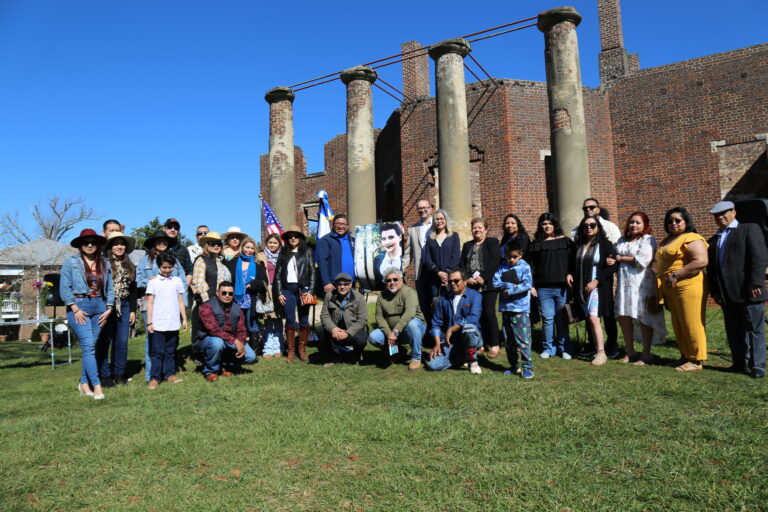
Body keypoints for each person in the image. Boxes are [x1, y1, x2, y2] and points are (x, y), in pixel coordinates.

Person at [707, 200, 768, 378]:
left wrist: (756, 282)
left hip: (749, 290)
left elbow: (759, 256)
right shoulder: (714, 239)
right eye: (716, 215)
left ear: (733, 212)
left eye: (724, 213)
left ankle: (757, 365)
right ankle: (739, 363)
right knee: (733, 330)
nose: (720, 217)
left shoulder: (749, 229)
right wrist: (715, 291)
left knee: (754, 329)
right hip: (726, 293)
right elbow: (712, 268)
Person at [61, 229, 115, 400]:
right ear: (80, 245)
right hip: (79, 306)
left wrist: (109, 308)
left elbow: (111, 289)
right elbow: (64, 288)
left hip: (100, 307)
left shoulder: (105, 263)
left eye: (93, 242)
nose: (90, 245)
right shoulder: (71, 262)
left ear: (98, 245)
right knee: (89, 346)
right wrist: (75, 308)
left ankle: (84, 383)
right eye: (86, 242)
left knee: (91, 346)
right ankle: (97, 387)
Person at [655, 207, 709, 371]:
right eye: (670, 221)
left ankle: (696, 360)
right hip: (671, 288)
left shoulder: (692, 238)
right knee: (678, 323)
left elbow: (700, 261)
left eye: (677, 220)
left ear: (686, 221)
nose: (673, 223)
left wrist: (677, 275)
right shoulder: (667, 240)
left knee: (691, 321)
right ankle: (685, 355)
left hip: (688, 285)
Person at [611, 212, 665, 365]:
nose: (634, 225)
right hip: (623, 283)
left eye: (637, 222)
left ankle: (646, 354)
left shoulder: (648, 240)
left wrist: (620, 258)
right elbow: (615, 256)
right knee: (624, 316)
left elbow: (643, 260)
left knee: (643, 316)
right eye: (631, 222)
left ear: (644, 225)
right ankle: (630, 351)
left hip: (641, 283)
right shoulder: (622, 240)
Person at [573, 198, 621, 359]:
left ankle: (612, 346)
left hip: (601, 286)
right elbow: (573, 263)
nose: (589, 228)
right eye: (586, 226)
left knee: (606, 316)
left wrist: (597, 281)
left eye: (592, 225)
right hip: (583, 285)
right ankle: (594, 345)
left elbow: (613, 265)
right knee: (590, 317)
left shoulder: (605, 243)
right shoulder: (579, 245)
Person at [137, 229, 187, 381]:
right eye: (158, 241)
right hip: (150, 304)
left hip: (170, 305)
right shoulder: (145, 260)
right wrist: (152, 280)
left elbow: (182, 281)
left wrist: (182, 308)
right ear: (153, 244)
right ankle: (151, 374)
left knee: (171, 339)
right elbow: (139, 281)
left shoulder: (174, 260)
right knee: (151, 338)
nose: (161, 243)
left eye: (164, 241)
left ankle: (169, 372)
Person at [527, 213, 575, 360]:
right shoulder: (536, 244)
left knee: (561, 318)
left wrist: (569, 273)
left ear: (555, 225)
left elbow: (573, 261)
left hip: (561, 287)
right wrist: (532, 285)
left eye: (549, 223)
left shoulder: (566, 242)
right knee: (547, 319)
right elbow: (531, 266)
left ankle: (564, 348)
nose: (546, 226)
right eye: (543, 224)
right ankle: (548, 348)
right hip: (542, 288)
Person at [96, 231, 137, 387]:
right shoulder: (103, 263)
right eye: (116, 244)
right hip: (107, 305)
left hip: (125, 305)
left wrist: (133, 310)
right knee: (105, 340)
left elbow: (132, 289)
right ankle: (105, 374)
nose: (119, 247)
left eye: (122, 244)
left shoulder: (130, 265)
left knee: (121, 342)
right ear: (110, 247)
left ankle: (119, 373)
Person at [197, 281, 258, 381]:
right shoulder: (206, 306)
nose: (227, 296)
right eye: (224, 293)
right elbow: (214, 330)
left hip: (230, 340)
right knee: (217, 343)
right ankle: (211, 371)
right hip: (209, 339)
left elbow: (242, 330)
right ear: (217, 293)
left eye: (230, 293)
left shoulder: (237, 308)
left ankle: (223, 366)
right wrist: (235, 341)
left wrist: (241, 342)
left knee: (251, 356)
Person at [426, 269, 484, 374]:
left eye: (456, 280)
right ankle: (461, 356)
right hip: (452, 341)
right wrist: (437, 343)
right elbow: (435, 322)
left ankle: (473, 360)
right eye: (450, 281)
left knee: (469, 328)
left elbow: (473, 317)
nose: (452, 283)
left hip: (471, 335)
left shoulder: (476, 296)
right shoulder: (444, 299)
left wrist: (453, 328)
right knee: (432, 365)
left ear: (465, 281)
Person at [368, 268, 427, 370]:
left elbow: (409, 313)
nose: (392, 282)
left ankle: (416, 357)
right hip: (393, 331)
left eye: (395, 279)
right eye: (388, 280)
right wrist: (388, 333)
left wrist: (395, 331)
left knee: (412, 324)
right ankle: (397, 350)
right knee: (373, 337)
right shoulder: (382, 296)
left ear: (401, 280)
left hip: (413, 328)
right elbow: (379, 317)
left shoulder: (409, 292)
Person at [459, 217, 501, 357]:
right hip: (473, 287)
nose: (477, 230)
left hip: (488, 285)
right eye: (474, 228)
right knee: (477, 315)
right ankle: (480, 343)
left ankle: (494, 344)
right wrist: (468, 278)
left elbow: (495, 261)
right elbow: (462, 265)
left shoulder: (492, 242)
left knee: (489, 313)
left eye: (480, 227)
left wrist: (484, 276)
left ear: (485, 229)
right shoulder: (467, 245)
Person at [145, 252, 188, 389]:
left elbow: (180, 301)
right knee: (157, 352)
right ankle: (155, 377)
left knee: (170, 350)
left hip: (173, 322)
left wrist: (184, 319)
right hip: (158, 323)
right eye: (164, 267)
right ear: (159, 267)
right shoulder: (153, 282)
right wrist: (149, 322)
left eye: (170, 267)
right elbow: (150, 303)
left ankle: (170, 374)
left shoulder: (177, 281)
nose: (167, 270)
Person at [274, 225, 316, 362]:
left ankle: (302, 349)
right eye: (290, 236)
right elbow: (278, 274)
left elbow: (312, 273)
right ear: (287, 238)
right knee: (290, 319)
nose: (293, 238)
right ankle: (291, 350)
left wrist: (310, 291)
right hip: (287, 290)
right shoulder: (283, 253)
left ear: (300, 238)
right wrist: (279, 292)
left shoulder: (307, 251)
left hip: (303, 289)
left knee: (304, 319)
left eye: (295, 236)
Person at [493, 241, 534, 379]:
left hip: (520, 309)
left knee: (523, 339)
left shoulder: (525, 267)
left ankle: (527, 367)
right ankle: (513, 365)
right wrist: (506, 284)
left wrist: (510, 291)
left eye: (514, 257)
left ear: (520, 255)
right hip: (506, 309)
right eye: (508, 257)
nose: (511, 260)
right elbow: (495, 282)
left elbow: (527, 284)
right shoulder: (502, 267)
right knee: (508, 339)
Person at [190, 232, 232, 349]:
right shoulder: (201, 259)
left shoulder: (221, 261)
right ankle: (200, 355)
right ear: (207, 245)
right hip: (206, 302)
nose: (216, 246)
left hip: (221, 302)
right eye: (213, 243)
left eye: (218, 243)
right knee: (203, 330)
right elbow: (199, 282)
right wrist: (209, 303)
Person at [225, 237, 268, 349]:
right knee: (237, 324)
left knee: (252, 323)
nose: (249, 250)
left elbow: (264, 282)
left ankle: (254, 349)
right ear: (242, 247)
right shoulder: (233, 262)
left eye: (252, 248)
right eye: (247, 247)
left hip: (251, 298)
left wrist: (253, 284)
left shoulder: (258, 263)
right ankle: (239, 348)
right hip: (236, 298)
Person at [319, 272, 368, 367]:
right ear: (335, 285)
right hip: (336, 330)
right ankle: (334, 356)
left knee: (362, 338)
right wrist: (333, 328)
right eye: (339, 284)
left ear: (350, 285)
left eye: (346, 284)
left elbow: (362, 320)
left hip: (352, 330)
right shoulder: (329, 296)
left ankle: (357, 355)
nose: (342, 287)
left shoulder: (359, 298)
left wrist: (348, 333)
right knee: (320, 330)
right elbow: (324, 316)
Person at [423, 209, 461, 305]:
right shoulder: (430, 238)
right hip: (434, 277)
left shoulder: (454, 236)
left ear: (446, 220)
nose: (439, 221)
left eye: (441, 218)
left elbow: (456, 256)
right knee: (437, 304)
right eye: (436, 219)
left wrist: (447, 273)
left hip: (451, 277)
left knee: (452, 303)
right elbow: (428, 258)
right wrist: (438, 272)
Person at [405, 199, 433, 326]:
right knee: (423, 304)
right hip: (420, 272)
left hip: (435, 271)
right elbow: (408, 253)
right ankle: (429, 332)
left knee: (437, 302)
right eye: (419, 208)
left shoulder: (438, 225)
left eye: (424, 207)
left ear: (430, 208)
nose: (422, 210)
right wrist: (400, 270)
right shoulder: (413, 229)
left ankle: (440, 334)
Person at [258, 233, 284, 359]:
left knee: (278, 319)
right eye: (270, 242)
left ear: (279, 244)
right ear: (266, 243)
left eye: (275, 243)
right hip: (266, 290)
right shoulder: (261, 256)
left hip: (279, 289)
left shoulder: (282, 255)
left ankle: (278, 347)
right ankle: (267, 348)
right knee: (268, 320)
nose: (272, 245)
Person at [315, 214, 356, 294]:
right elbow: (322, 261)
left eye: (343, 224)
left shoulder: (353, 240)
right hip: (335, 284)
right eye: (338, 223)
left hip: (351, 283)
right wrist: (326, 282)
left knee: (352, 306)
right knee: (335, 306)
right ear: (333, 225)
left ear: (348, 226)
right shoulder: (326, 240)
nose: (341, 226)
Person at [163, 218, 193, 287]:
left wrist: (184, 287)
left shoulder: (183, 249)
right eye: (170, 227)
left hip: (178, 290)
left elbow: (189, 271)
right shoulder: (157, 248)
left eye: (176, 228)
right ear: (164, 229)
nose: (173, 230)